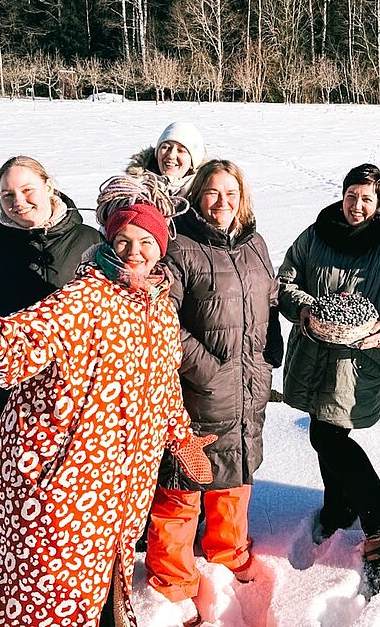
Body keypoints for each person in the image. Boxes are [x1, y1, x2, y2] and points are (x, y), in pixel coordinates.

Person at [0, 173, 215, 627]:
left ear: (161, 247)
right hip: (66, 477)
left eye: (145, 241)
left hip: (124, 484)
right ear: (108, 243)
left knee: (102, 583)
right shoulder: (83, 298)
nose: (134, 251)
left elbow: (162, 385)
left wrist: (180, 438)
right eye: (123, 240)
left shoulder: (160, 308)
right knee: (48, 589)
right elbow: (29, 336)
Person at [0, 155, 101, 562]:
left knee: (57, 494)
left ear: (49, 185)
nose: (18, 201)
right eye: (7, 194)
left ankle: (45, 577)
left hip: (63, 401)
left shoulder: (89, 243)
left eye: (27, 190)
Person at [278, 163, 380, 591]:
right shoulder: (314, 236)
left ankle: (379, 519)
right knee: (325, 429)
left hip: (355, 364)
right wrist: (306, 308)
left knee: (328, 435)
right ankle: (338, 510)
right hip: (311, 354)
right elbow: (285, 282)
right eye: (351, 196)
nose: (356, 205)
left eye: (366, 199)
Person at [145, 160, 282, 612]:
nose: (222, 203)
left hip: (248, 385)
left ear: (243, 198)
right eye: (212, 193)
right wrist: (206, 368)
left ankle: (228, 550)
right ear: (197, 196)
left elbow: (268, 299)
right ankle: (172, 582)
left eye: (231, 193)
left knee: (236, 472)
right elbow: (163, 321)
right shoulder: (180, 247)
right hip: (198, 389)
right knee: (182, 486)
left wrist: (270, 350)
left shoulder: (255, 243)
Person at [127, 121, 207, 196]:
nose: (171, 155)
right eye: (166, 147)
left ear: (193, 163)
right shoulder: (131, 189)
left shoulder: (204, 195)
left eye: (181, 150)